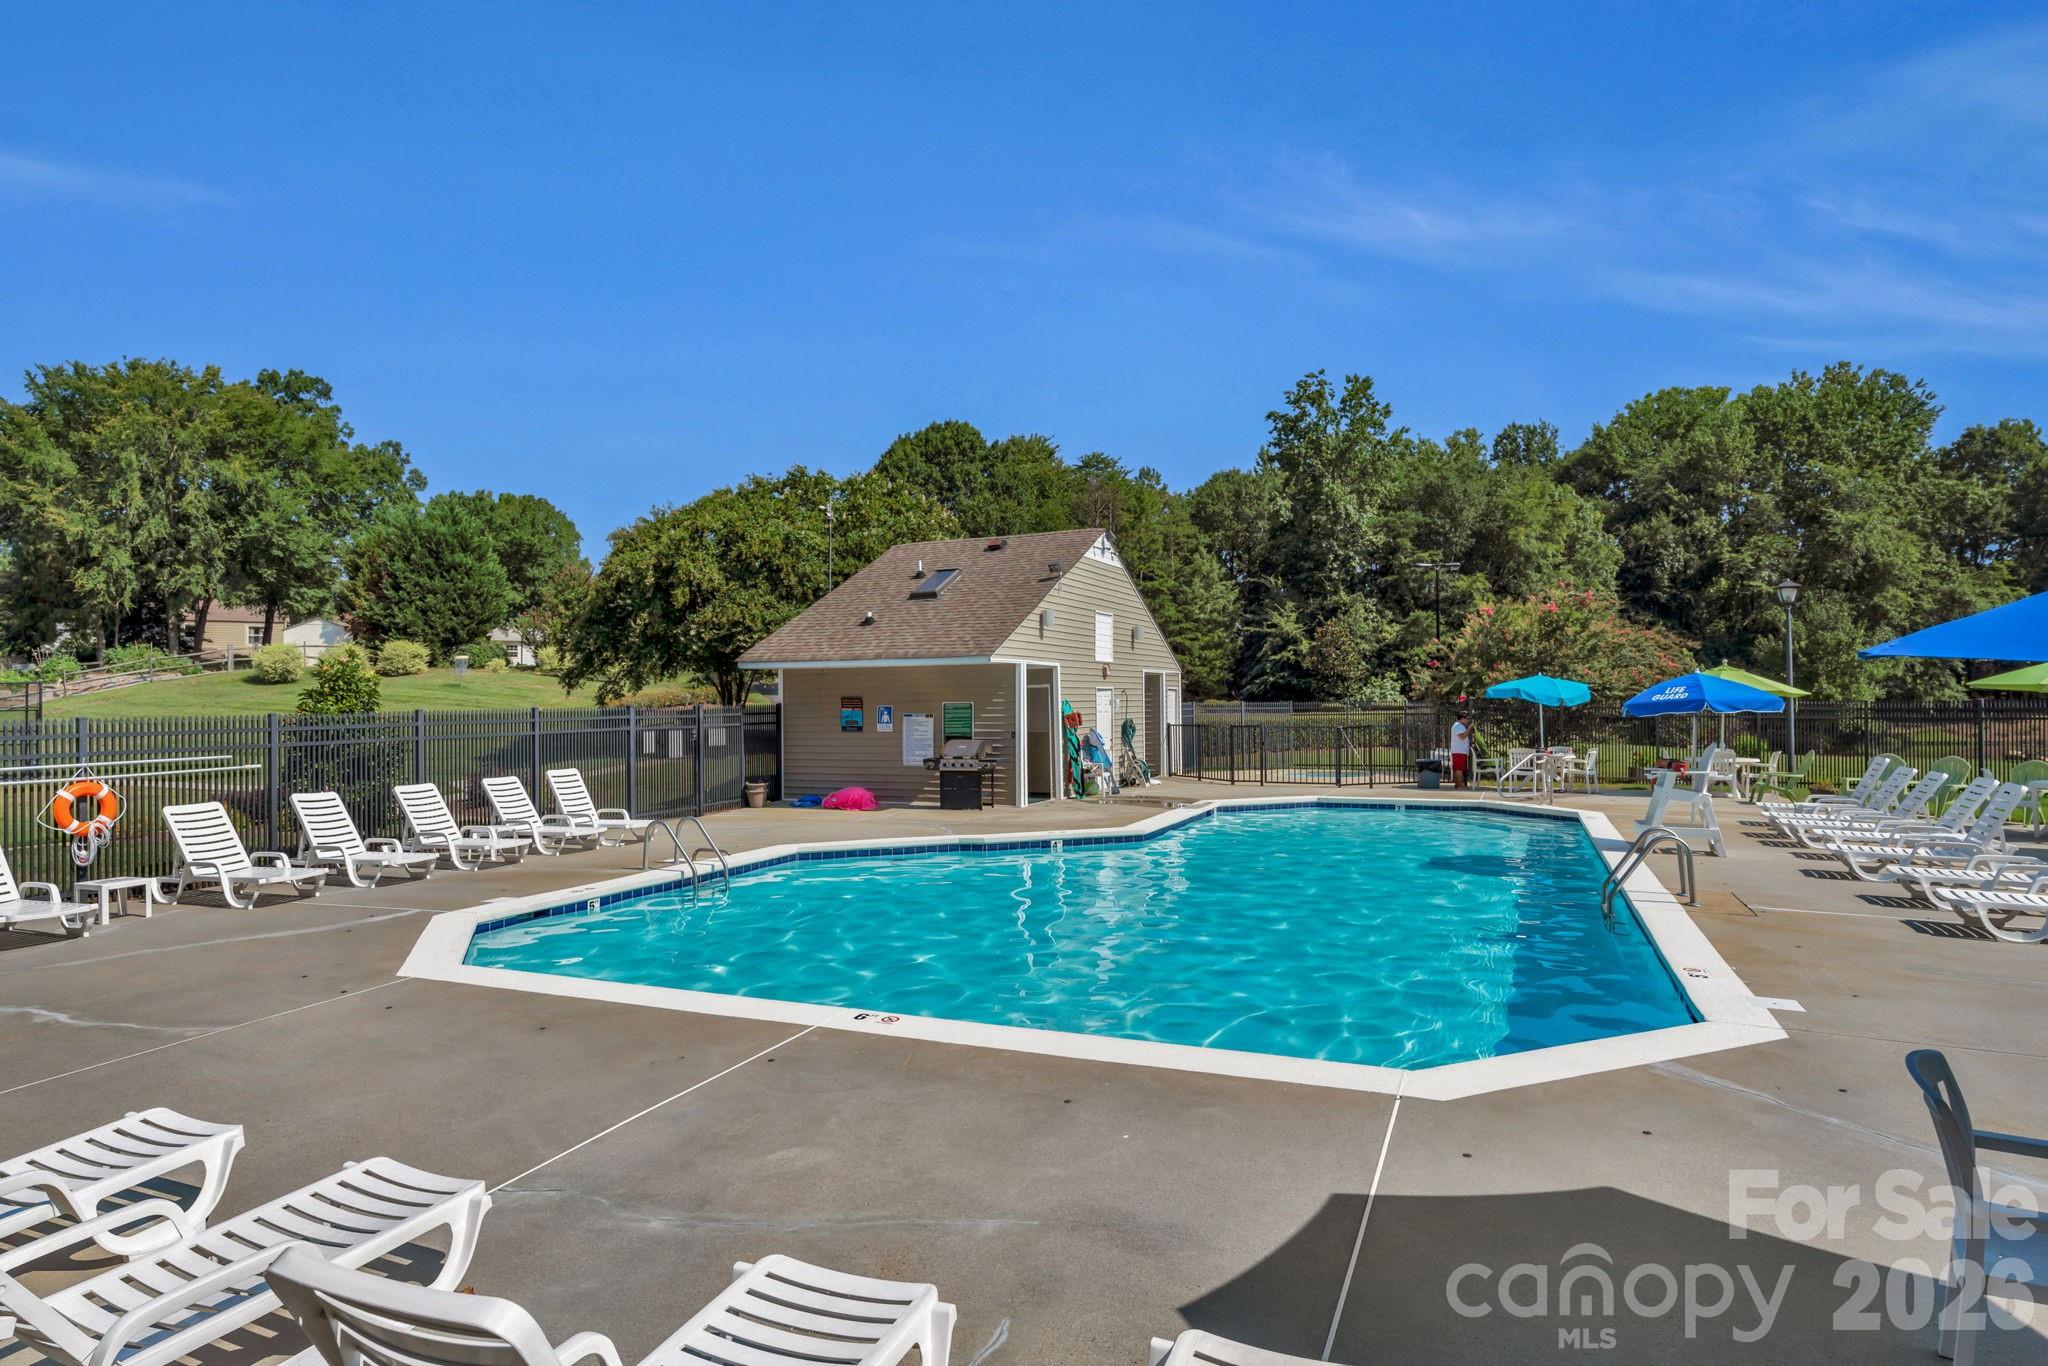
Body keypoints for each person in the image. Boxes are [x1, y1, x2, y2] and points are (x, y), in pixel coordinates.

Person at [1449, 710, 1472, 789]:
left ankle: (1458, 785)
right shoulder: (1458, 726)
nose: (1468, 720)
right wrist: (1469, 729)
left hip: (1459, 751)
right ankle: (1459, 786)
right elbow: (1462, 737)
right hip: (1459, 751)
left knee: (1458, 768)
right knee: (1459, 769)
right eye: (1467, 718)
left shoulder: (1458, 726)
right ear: (1462, 718)